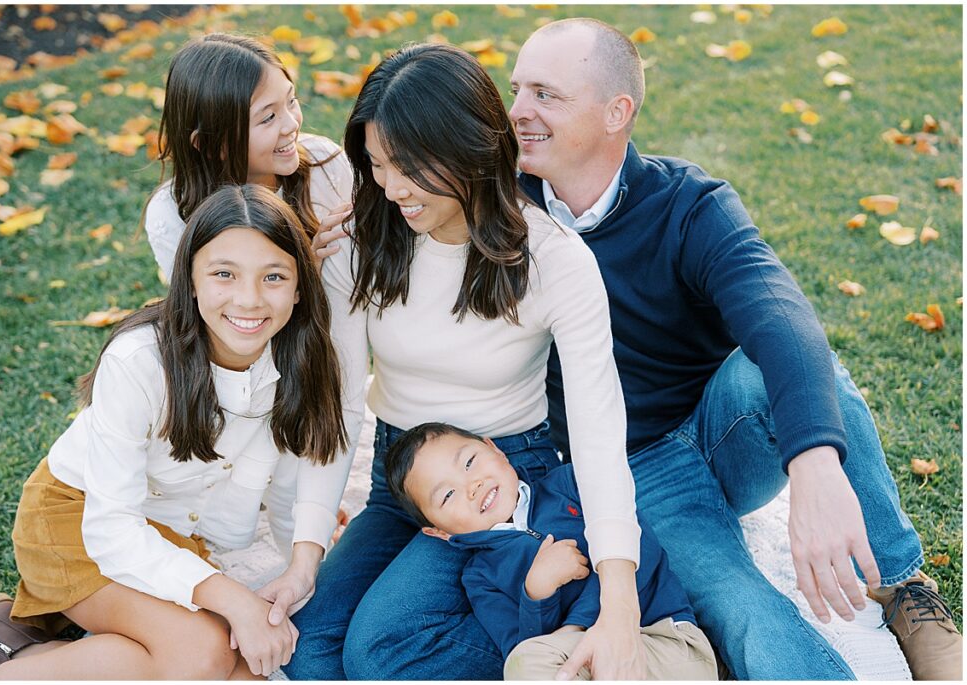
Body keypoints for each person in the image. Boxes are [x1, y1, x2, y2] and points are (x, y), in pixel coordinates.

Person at [508, 17, 962, 680]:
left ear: (616, 112)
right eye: (517, 89)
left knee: (787, 367)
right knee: (745, 612)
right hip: (632, 468)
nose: (517, 110)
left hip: (726, 428)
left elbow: (782, 316)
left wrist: (814, 462)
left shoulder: (689, 202)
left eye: (544, 94)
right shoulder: (497, 207)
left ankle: (901, 583)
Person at [285, 43, 646, 680]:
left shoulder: (553, 259)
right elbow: (337, 406)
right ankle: (537, 622)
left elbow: (596, 428)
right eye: (375, 165)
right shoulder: (360, 246)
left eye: (408, 168)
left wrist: (620, 601)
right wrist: (305, 554)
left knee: (381, 654)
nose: (391, 188)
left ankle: (562, 635)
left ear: (469, 149)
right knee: (309, 649)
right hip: (398, 481)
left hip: (500, 482)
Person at [0, 185, 350, 680]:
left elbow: (304, 471)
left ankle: (5, 639)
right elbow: (111, 529)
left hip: (173, 531)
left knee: (240, 663)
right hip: (79, 521)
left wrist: (299, 569)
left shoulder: (305, 354)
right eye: (224, 274)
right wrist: (233, 599)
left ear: (300, 286)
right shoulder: (139, 361)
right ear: (192, 280)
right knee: (205, 652)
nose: (249, 298)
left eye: (274, 277)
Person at [385, 422, 719, 681]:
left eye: (470, 462)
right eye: (447, 496)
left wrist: (576, 626)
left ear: (494, 448)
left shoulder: (571, 484)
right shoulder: (481, 578)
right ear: (437, 531)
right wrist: (537, 593)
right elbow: (524, 650)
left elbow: (639, 548)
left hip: (665, 642)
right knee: (525, 665)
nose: (472, 486)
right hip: (585, 667)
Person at [143, 33, 352, 280]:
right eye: (267, 118)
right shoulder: (171, 214)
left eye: (291, 100)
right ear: (211, 144)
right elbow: (206, 314)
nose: (291, 125)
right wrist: (309, 271)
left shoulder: (325, 164)